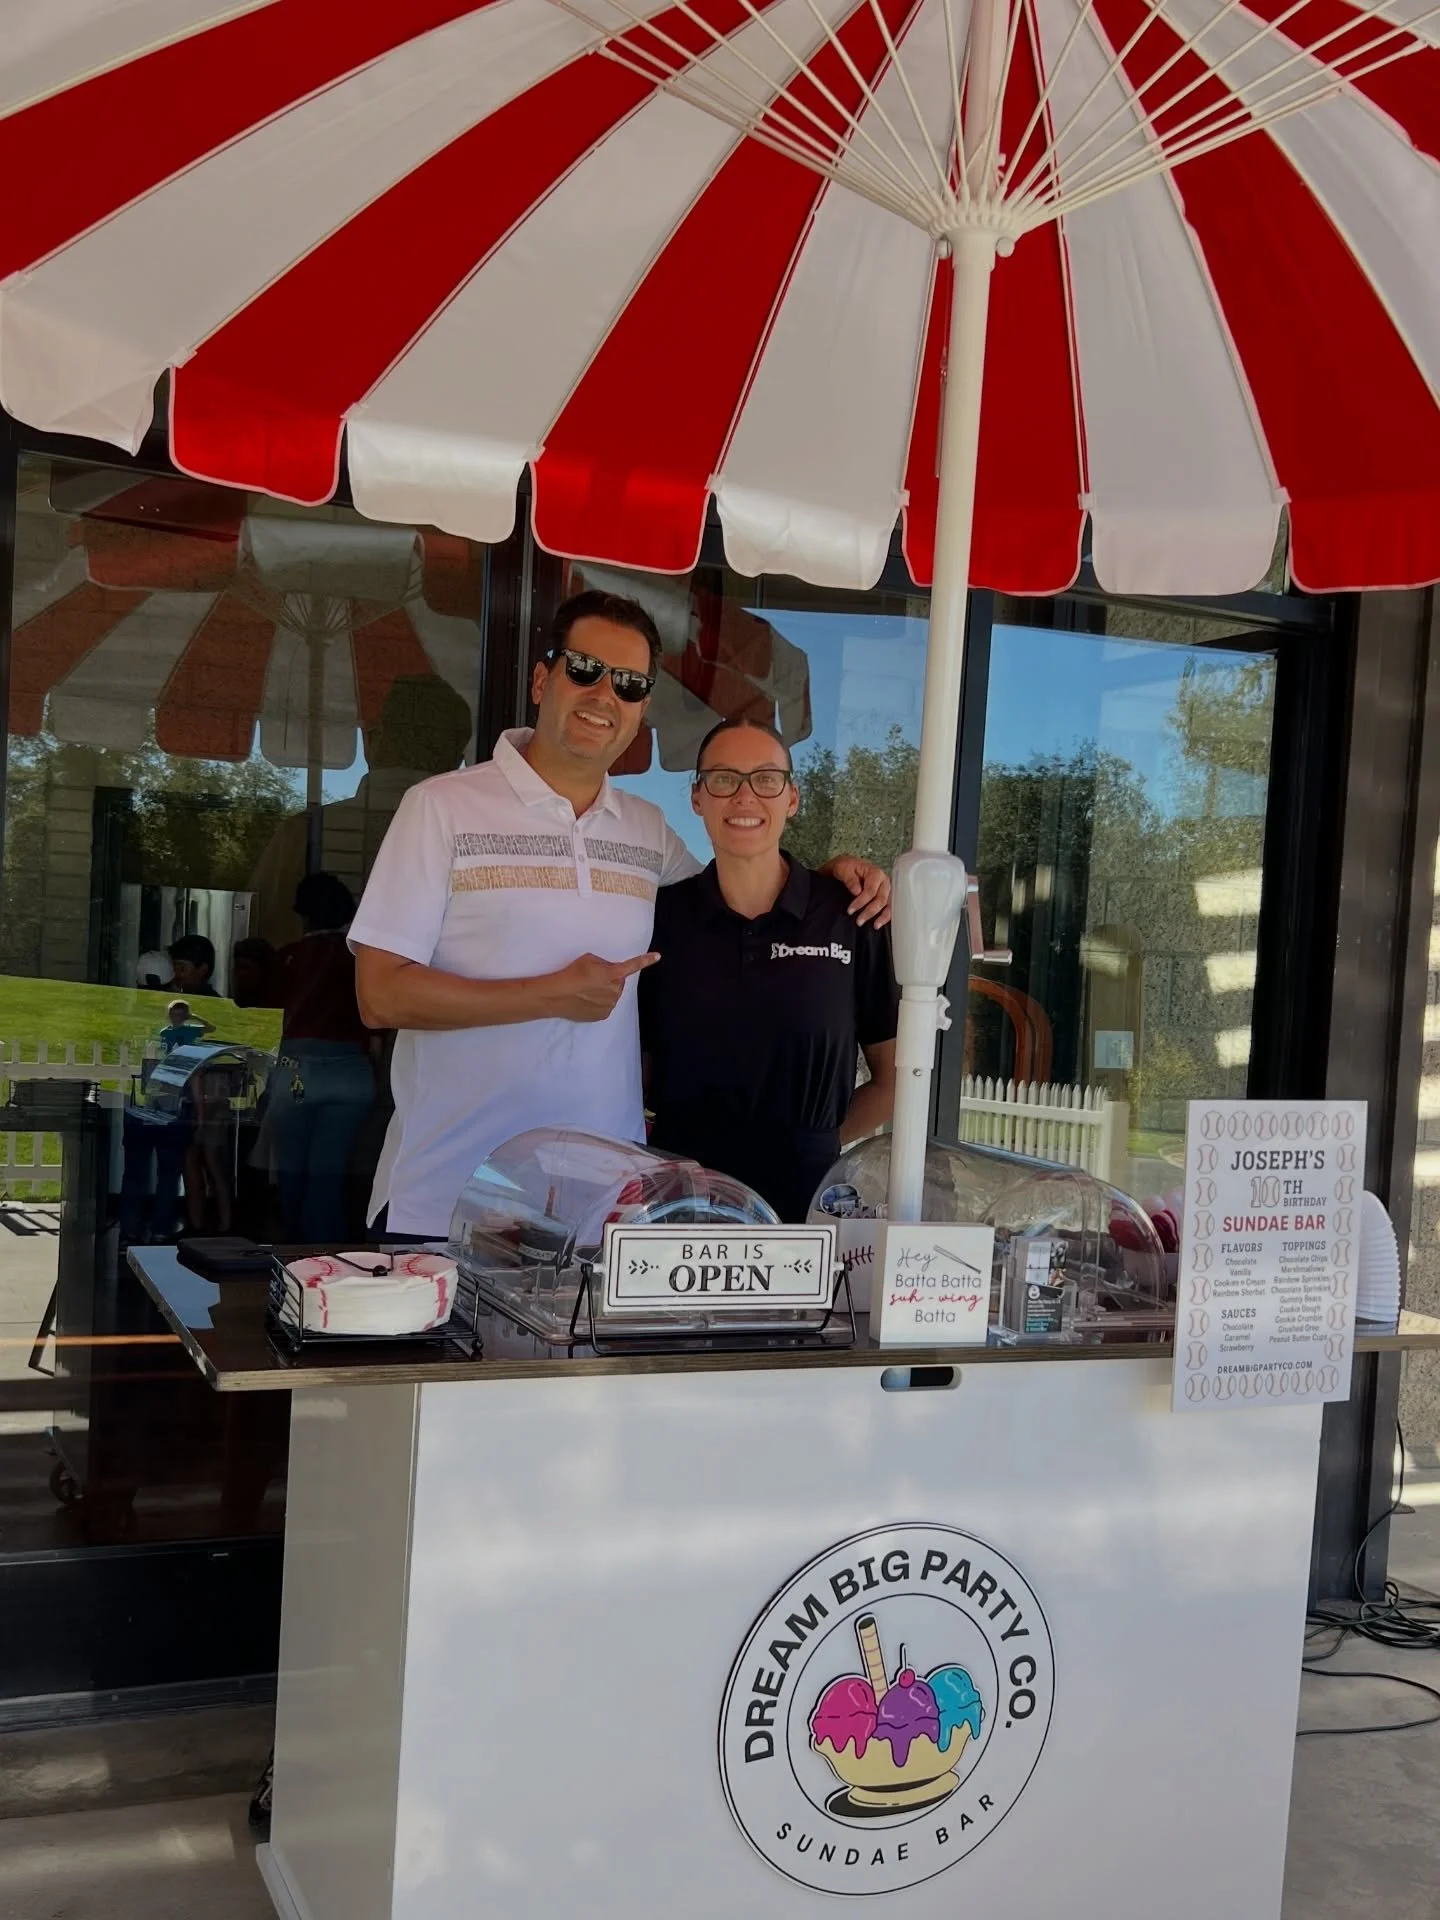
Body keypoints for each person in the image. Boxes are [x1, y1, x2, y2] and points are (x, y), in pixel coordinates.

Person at [349, 590, 889, 1240]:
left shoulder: (645, 831)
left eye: (630, 684)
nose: (605, 694)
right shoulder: (440, 809)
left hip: (601, 1211)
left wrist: (830, 879)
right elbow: (379, 996)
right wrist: (548, 995)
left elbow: (746, 872)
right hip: (448, 1198)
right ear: (543, 678)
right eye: (585, 669)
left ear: (642, 712)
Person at [639, 719, 899, 1221]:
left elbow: (894, 1082)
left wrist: (814, 1143)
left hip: (806, 1206)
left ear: (792, 798)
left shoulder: (851, 916)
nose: (744, 796)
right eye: (723, 779)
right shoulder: (660, 918)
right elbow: (637, 1074)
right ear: (697, 798)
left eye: (765, 779)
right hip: (679, 1206)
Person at [233, 872, 377, 1243]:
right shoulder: (361, 959)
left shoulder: (291, 958)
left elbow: (247, 997)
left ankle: (294, 1252)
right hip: (351, 1073)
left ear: (303, 914)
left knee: (293, 1171)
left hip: (297, 1075)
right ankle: (327, 1260)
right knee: (329, 1174)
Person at [166, 933, 219, 997]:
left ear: (203, 969)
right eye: (174, 966)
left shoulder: (216, 1002)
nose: (176, 972)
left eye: (182, 967)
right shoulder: (160, 993)